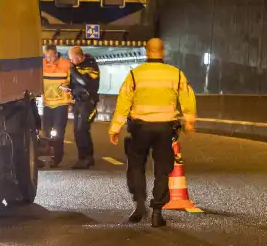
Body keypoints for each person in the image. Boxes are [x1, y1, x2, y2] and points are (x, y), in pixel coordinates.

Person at [108, 38, 197, 227]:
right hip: (165, 128)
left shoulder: (135, 74)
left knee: (136, 165)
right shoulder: (176, 74)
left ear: (147, 51)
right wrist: (189, 121)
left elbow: (123, 102)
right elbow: (188, 99)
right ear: (163, 52)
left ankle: (139, 205)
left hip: (140, 128)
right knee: (163, 169)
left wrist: (115, 127)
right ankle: (157, 212)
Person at [67, 46, 100, 169]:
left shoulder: (90, 65)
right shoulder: (77, 66)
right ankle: (85, 157)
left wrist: (72, 71)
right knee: (77, 130)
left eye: (72, 59)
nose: (71, 61)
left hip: (87, 103)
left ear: (79, 57)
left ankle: (85, 158)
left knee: (82, 130)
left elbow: (84, 82)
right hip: (78, 101)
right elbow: (76, 83)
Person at [40, 46, 72, 167]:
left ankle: (57, 158)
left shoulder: (66, 64)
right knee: (46, 132)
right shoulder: (42, 64)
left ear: (56, 54)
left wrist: (69, 87)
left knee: (58, 133)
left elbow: (72, 81)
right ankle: (48, 154)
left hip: (61, 103)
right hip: (47, 103)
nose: (49, 59)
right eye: (47, 56)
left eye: (51, 56)